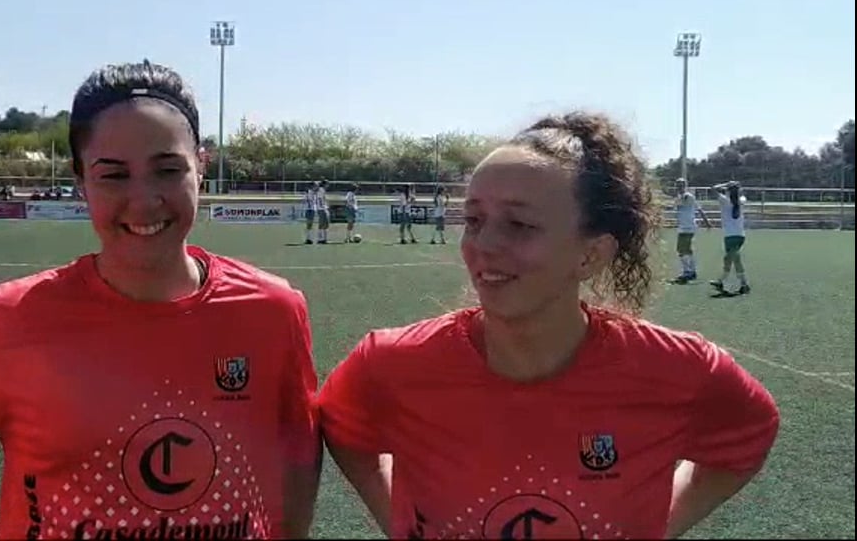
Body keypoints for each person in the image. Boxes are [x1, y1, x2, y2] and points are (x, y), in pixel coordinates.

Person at [0, 60, 322, 539]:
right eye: (113, 176)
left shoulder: (271, 311)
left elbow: (299, 450)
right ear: (81, 181)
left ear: (200, 167)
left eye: (167, 169)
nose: (144, 201)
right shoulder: (8, 320)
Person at [317, 111, 779, 540]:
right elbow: (343, 430)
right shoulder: (391, 364)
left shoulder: (682, 370)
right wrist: (399, 520)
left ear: (590, 255)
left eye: (518, 224)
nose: (484, 245)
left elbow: (749, 437)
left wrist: (658, 523)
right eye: (474, 220)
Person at [710, 181, 751, 297]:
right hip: (738, 235)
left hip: (730, 235)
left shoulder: (724, 201)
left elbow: (713, 188)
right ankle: (720, 281)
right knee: (728, 259)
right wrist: (733, 187)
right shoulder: (741, 200)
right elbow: (742, 195)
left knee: (735, 259)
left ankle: (744, 284)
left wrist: (725, 184)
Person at [670, 178, 711, 284]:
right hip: (682, 226)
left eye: (681, 185)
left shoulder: (688, 196)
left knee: (684, 249)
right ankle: (690, 271)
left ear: (685, 186)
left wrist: (706, 222)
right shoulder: (679, 198)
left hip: (689, 226)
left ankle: (688, 271)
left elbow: (699, 209)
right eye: (677, 185)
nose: (679, 187)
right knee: (683, 250)